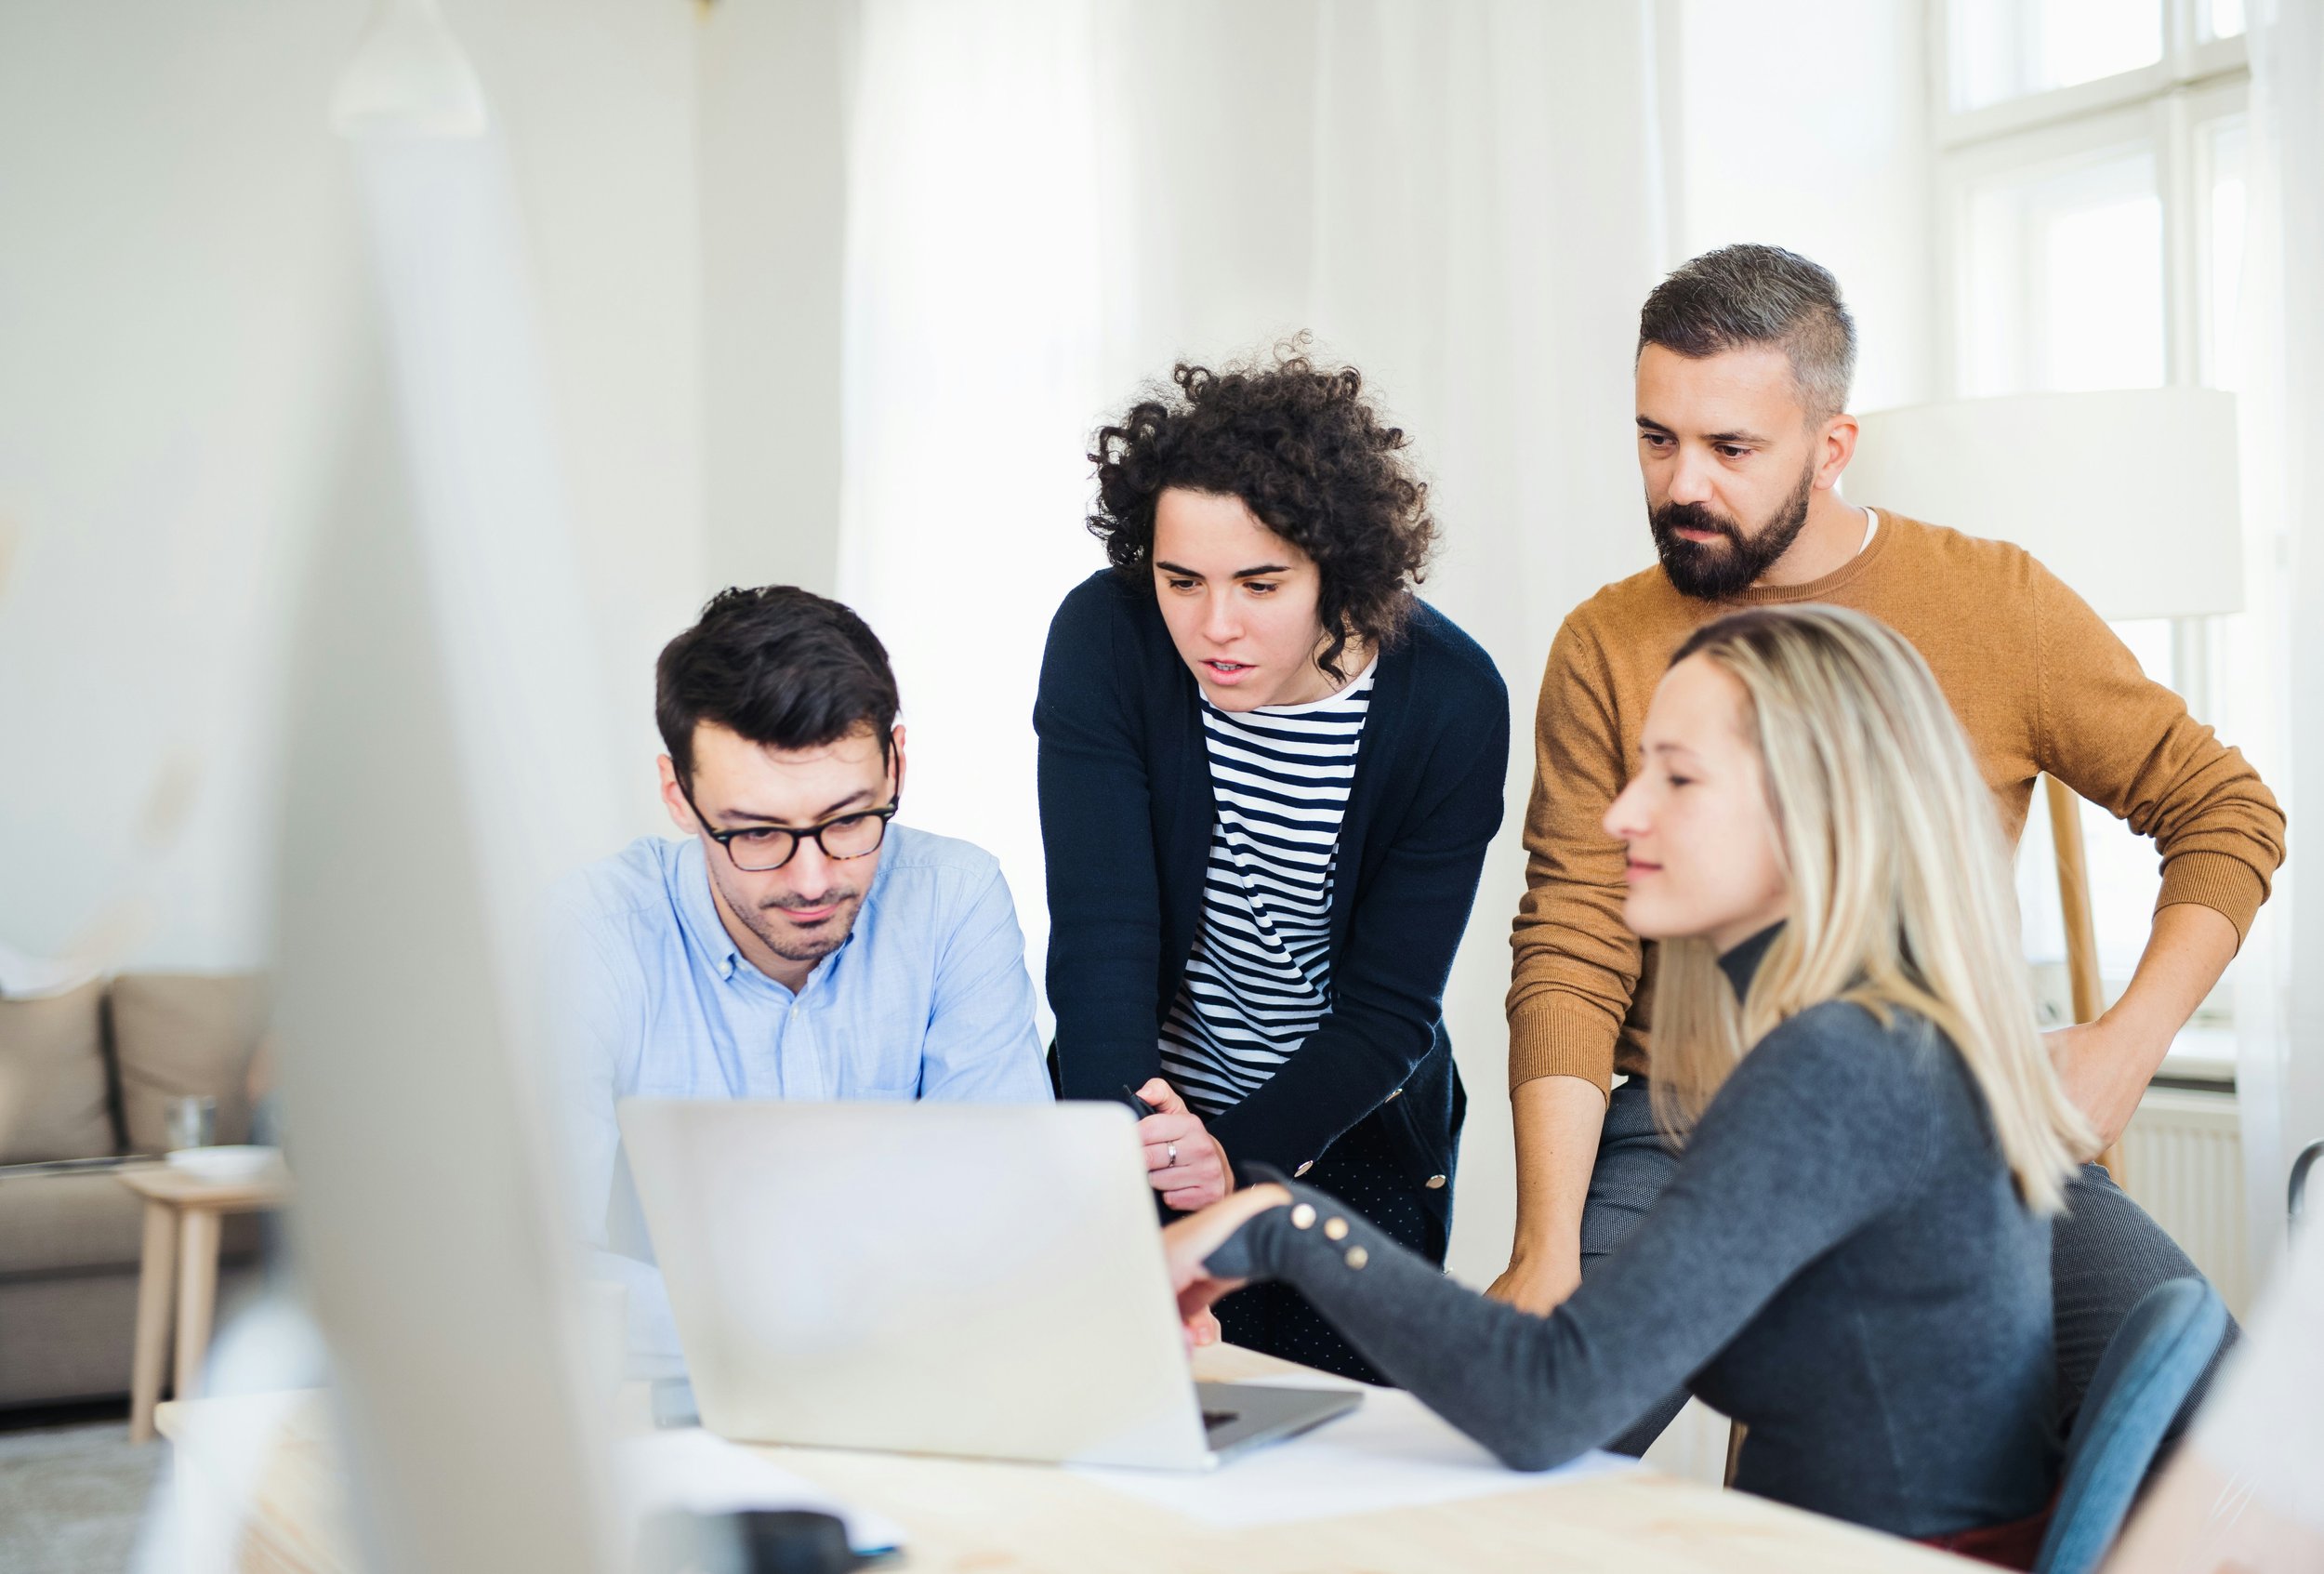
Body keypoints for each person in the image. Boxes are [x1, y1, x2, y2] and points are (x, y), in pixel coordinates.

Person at [1491, 244, 2283, 1450]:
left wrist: (2128, 1045)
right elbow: (1571, 937)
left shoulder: (1996, 602)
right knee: (1527, 1451)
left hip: (1950, 1121)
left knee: (2219, 1439)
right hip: (1685, 1121)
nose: (1681, 484)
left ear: (1833, 445)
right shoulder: (1606, 639)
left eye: (1732, 450)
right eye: (1657, 439)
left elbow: (2225, 808)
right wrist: (1544, 1246)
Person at [1167, 604, 2089, 1561]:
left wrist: (1280, 1224)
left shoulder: (1844, 1064)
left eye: (1678, 777)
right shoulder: (1887, 1037)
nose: (1621, 812)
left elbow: (1547, 1399)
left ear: (1816, 808)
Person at [1036, 346, 1508, 1381]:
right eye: (1181, 580)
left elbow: (1390, 1011)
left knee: (1334, 1465)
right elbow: (1101, 940)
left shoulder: (1452, 702)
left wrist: (1240, 1162)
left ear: (1340, 567)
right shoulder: (1104, 638)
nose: (1215, 627)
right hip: (1133, 1113)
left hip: (1345, 1137)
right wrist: (1144, 1149)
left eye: (1261, 583)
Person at [557, 586, 1050, 1363]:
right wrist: (805, 1330)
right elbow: (535, 1267)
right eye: (757, 833)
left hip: (925, 1390)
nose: (816, 879)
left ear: (896, 767)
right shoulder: (589, 935)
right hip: (677, 1412)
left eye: (850, 820)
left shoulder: (954, 898)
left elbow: (1013, 1215)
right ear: (677, 795)